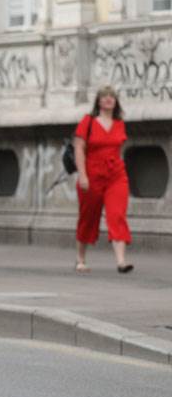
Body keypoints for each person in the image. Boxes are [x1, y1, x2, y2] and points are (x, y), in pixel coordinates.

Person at [74, 86, 132, 273]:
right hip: (91, 176)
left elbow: (117, 149)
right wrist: (83, 175)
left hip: (116, 175)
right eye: (104, 96)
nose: (108, 99)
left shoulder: (119, 123)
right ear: (98, 101)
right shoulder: (88, 121)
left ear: (115, 102)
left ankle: (121, 262)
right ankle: (81, 259)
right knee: (88, 218)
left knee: (117, 215)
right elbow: (78, 149)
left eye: (112, 97)